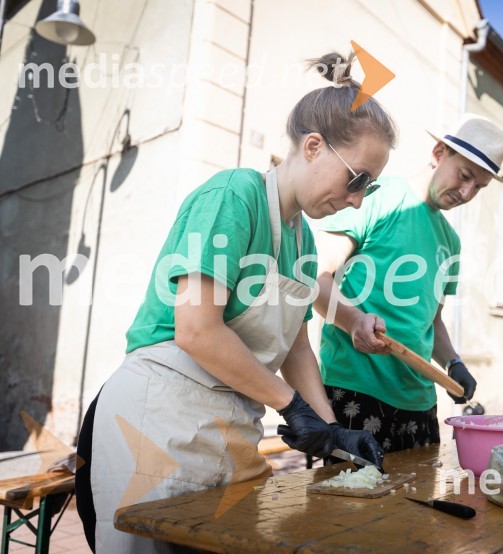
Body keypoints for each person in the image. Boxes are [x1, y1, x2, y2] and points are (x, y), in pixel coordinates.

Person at [74, 52, 396, 552]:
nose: (357, 200)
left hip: (226, 426)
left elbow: (295, 349)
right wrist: (291, 407)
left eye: (368, 189)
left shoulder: (303, 240)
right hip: (161, 416)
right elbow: (197, 330)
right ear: (313, 146)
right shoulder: (232, 196)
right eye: (356, 180)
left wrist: (332, 432)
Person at [313, 114, 503, 452]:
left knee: (419, 503)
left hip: (420, 399)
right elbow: (317, 278)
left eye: (479, 187)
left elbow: (431, 320)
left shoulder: (451, 242)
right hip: (356, 389)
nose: (467, 192)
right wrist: (354, 321)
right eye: (464, 176)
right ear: (438, 153)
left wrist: (453, 362)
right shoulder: (378, 197)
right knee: (352, 501)